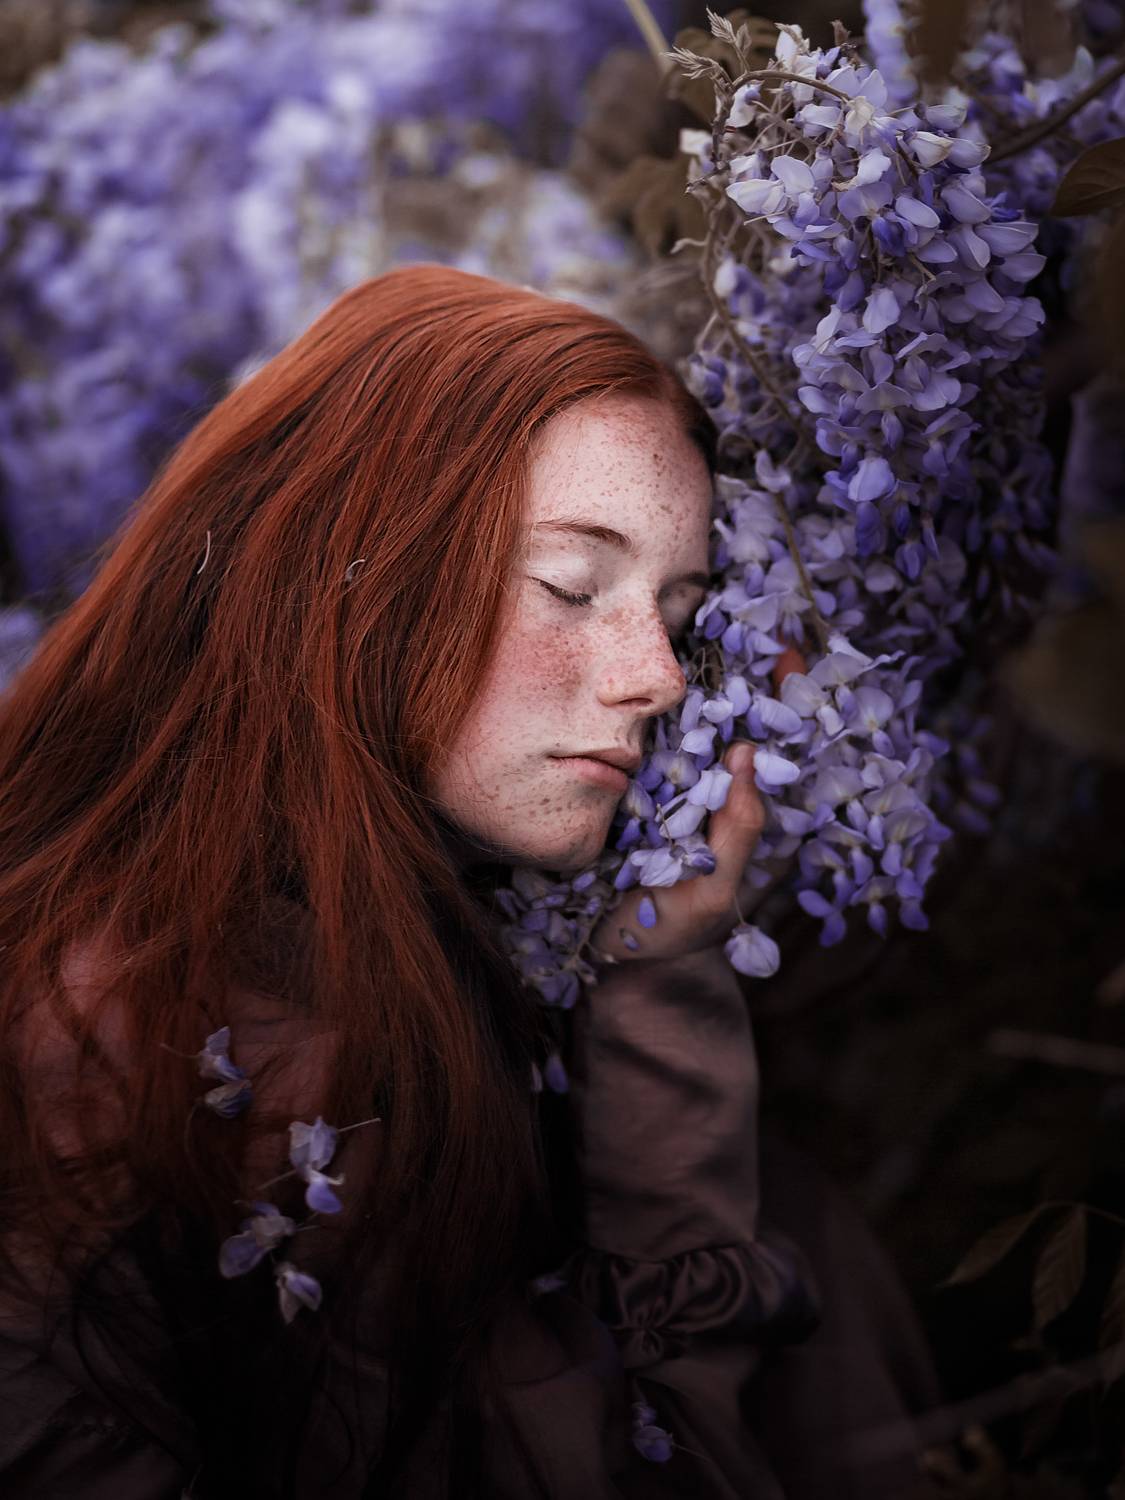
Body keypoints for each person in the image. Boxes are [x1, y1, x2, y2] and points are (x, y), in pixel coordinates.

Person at [0, 264, 938, 1498]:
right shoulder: (120, 1048)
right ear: (349, 573)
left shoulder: (438, 957)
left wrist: (657, 977)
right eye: (571, 585)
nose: (657, 676)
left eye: (679, 609)